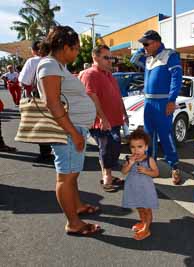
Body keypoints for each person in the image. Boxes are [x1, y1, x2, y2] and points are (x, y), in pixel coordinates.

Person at [37, 25, 100, 236]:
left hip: (74, 128)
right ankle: (73, 222)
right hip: (68, 131)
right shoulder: (49, 65)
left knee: (72, 175)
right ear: (65, 47)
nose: (76, 52)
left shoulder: (58, 66)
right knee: (65, 178)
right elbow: (52, 103)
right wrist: (73, 132)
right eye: (75, 48)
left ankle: (78, 206)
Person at [130, 30, 183, 185]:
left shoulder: (170, 55)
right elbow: (134, 60)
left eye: (146, 43)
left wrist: (172, 100)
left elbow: (176, 78)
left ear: (157, 42)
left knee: (165, 136)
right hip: (148, 103)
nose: (144, 47)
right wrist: (143, 49)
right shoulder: (147, 58)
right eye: (143, 44)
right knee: (148, 136)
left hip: (163, 103)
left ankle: (174, 166)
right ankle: (149, 165)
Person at [79, 45, 128, 192]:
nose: (110, 61)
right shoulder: (90, 74)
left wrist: (124, 113)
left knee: (115, 146)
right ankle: (107, 177)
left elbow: (118, 96)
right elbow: (91, 97)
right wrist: (103, 118)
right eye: (106, 57)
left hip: (115, 119)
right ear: (95, 57)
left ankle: (109, 174)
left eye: (110, 57)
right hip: (101, 122)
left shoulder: (109, 75)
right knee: (106, 148)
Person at [18, 40, 53, 163]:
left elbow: (24, 81)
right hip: (53, 96)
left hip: (37, 96)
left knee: (39, 125)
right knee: (50, 124)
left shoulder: (32, 61)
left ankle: (45, 153)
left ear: (34, 51)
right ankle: (50, 150)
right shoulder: (54, 61)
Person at [121, 128, 159, 240]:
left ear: (146, 147)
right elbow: (123, 172)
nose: (136, 150)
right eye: (133, 147)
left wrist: (146, 171)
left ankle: (146, 229)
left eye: (139, 147)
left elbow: (156, 173)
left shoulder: (149, 160)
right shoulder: (129, 159)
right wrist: (129, 164)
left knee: (147, 209)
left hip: (146, 189)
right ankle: (143, 222)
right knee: (139, 207)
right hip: (133, 188)